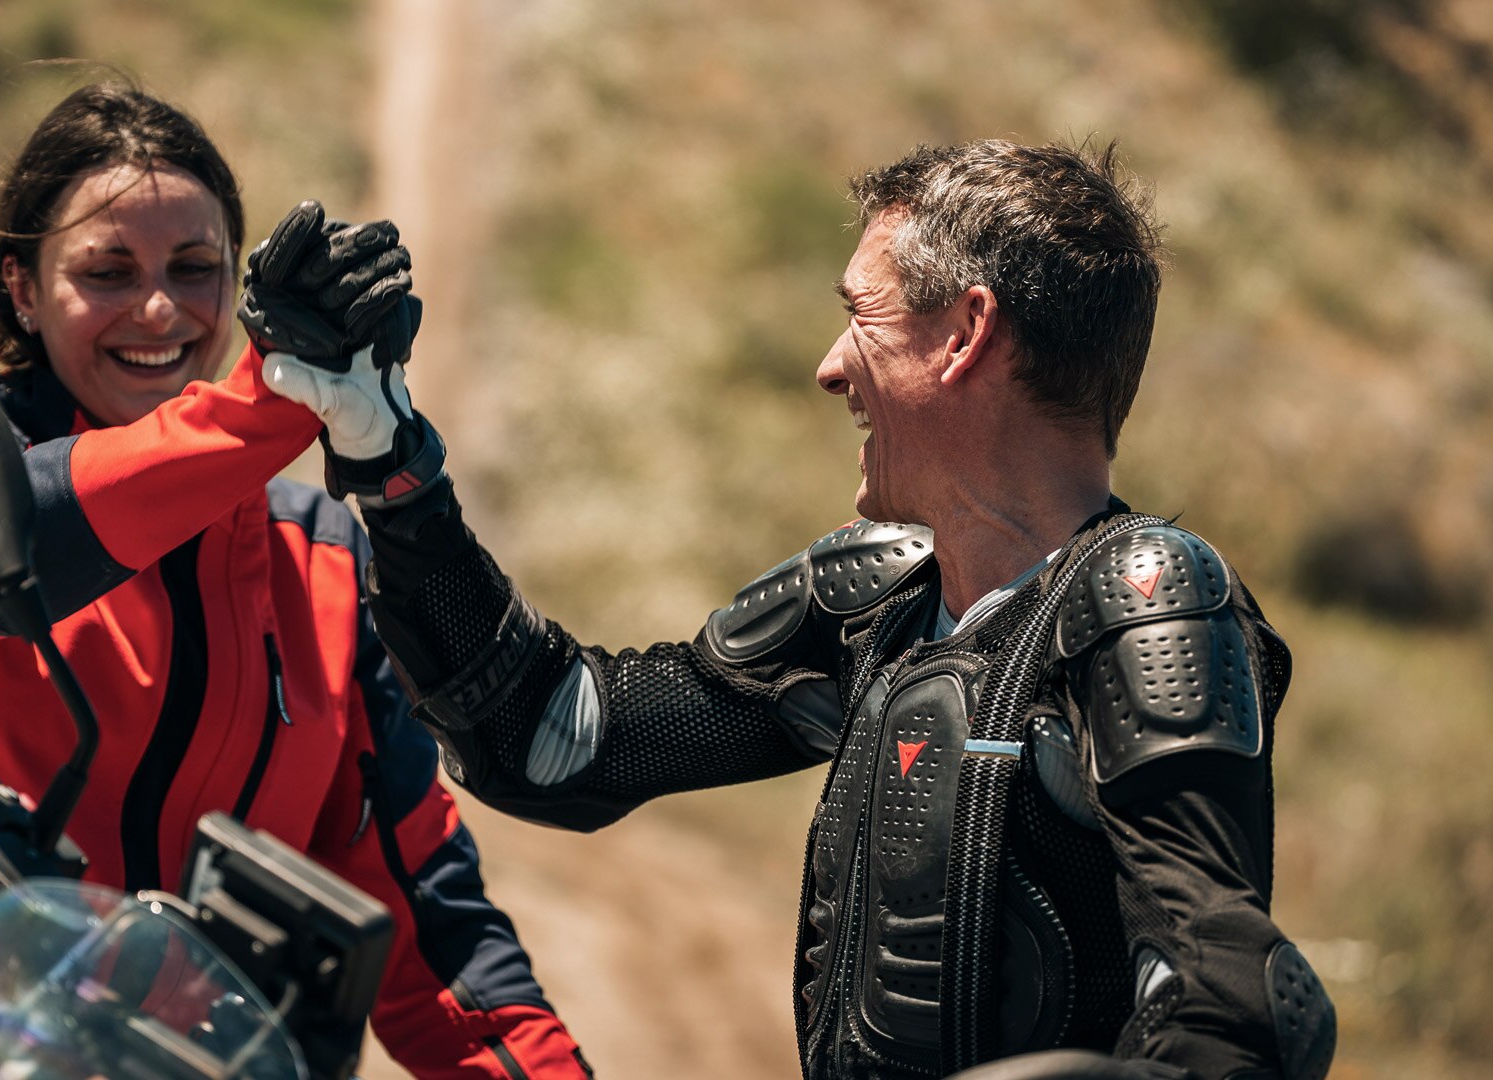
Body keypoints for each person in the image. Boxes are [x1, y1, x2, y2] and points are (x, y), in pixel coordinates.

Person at [253, 141, 1338, 1079]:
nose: (829, 368)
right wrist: (384, 452)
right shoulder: (878, 601)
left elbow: (1223, 1005)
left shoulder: (1143, 603)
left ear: (965, 334)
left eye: (860, 315)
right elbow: (550, 737)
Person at [0, 82, 590, 1080]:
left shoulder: (328, 564)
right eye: (107, 272)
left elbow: (440, 943)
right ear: (23, 288)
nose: (159, 308)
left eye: (196, 268)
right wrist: (270, 405)